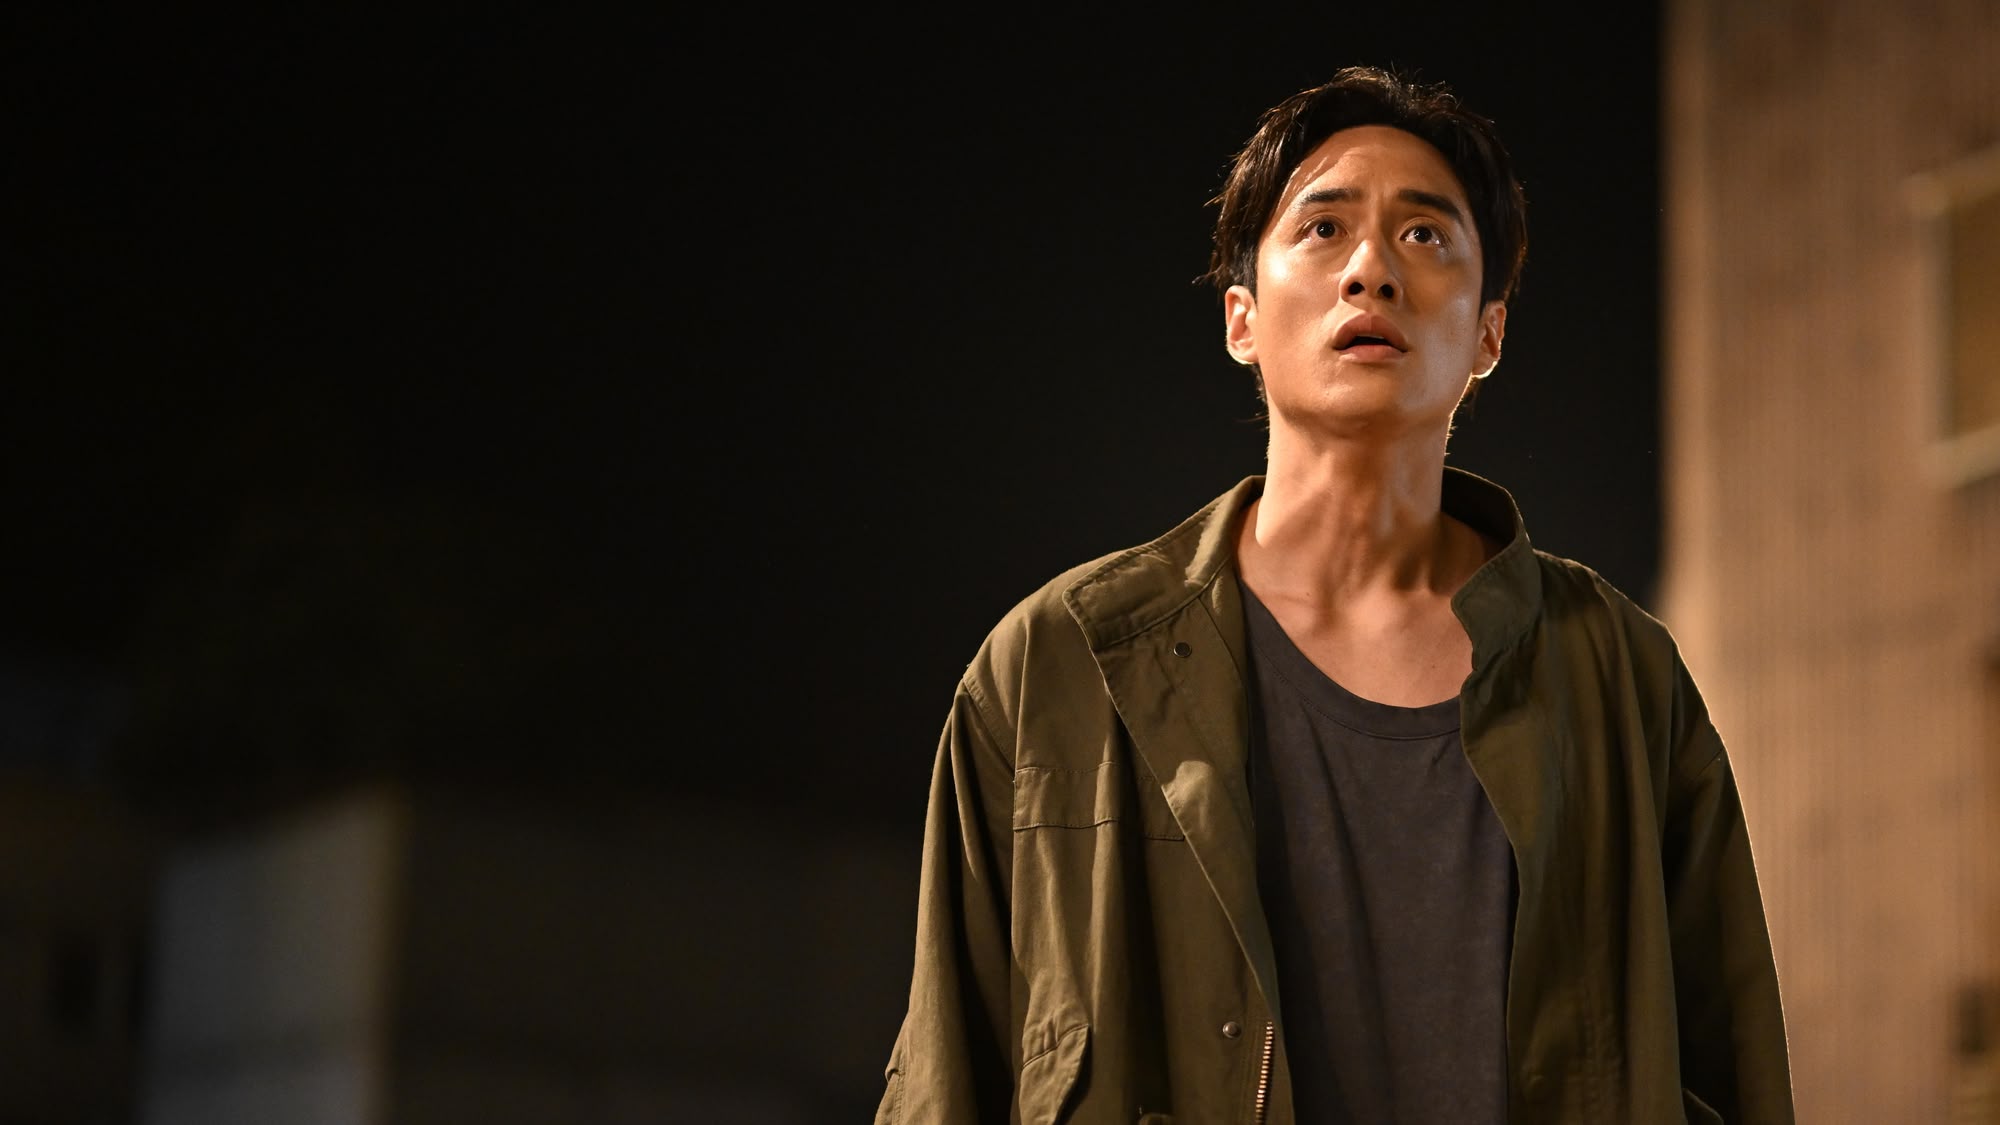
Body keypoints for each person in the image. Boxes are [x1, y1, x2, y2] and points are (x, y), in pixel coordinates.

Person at [873, 65, 1793, 1125]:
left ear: (1488, 334)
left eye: (1424, 235)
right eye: (1322, 229)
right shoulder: (1056, 667)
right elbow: (948, 1079)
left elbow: (1732, 1077)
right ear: (1241, 318)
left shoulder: (1617, 674)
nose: (1370, 271)